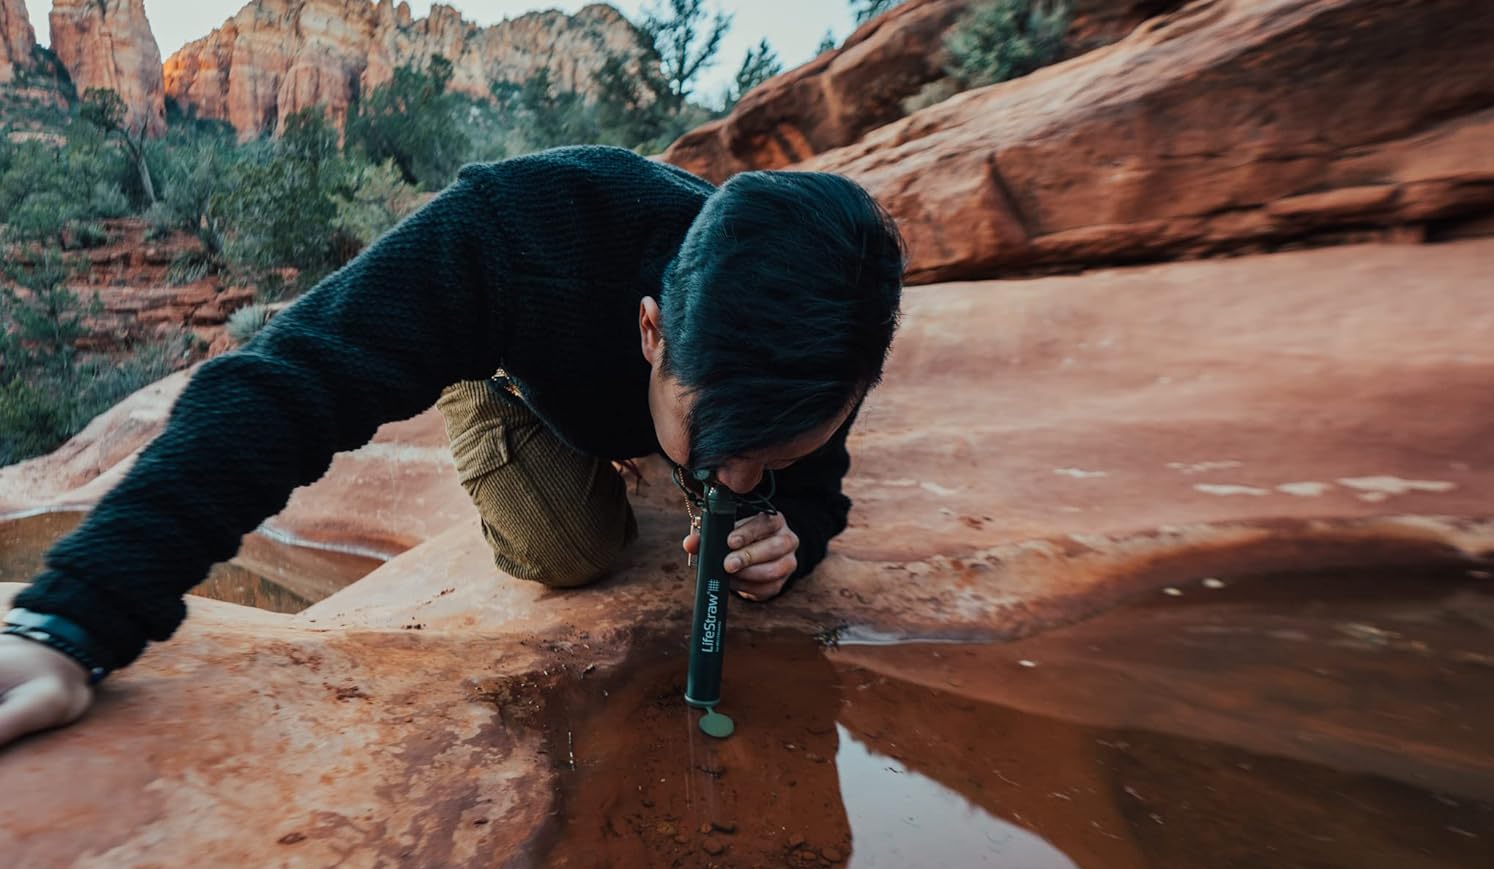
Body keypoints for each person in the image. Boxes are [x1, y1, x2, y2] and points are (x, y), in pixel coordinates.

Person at [0, 145, 906, 750]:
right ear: (650, 331)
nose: (738, 482)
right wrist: (72, 623)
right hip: (517, 367)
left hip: (667, 370)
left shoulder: (814, 337)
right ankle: (511, 401)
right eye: (723, 447)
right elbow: (286, 384)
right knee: (571, 550)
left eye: (770, 452)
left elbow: (817, 484)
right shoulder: (511, 235)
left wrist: (794, 528)